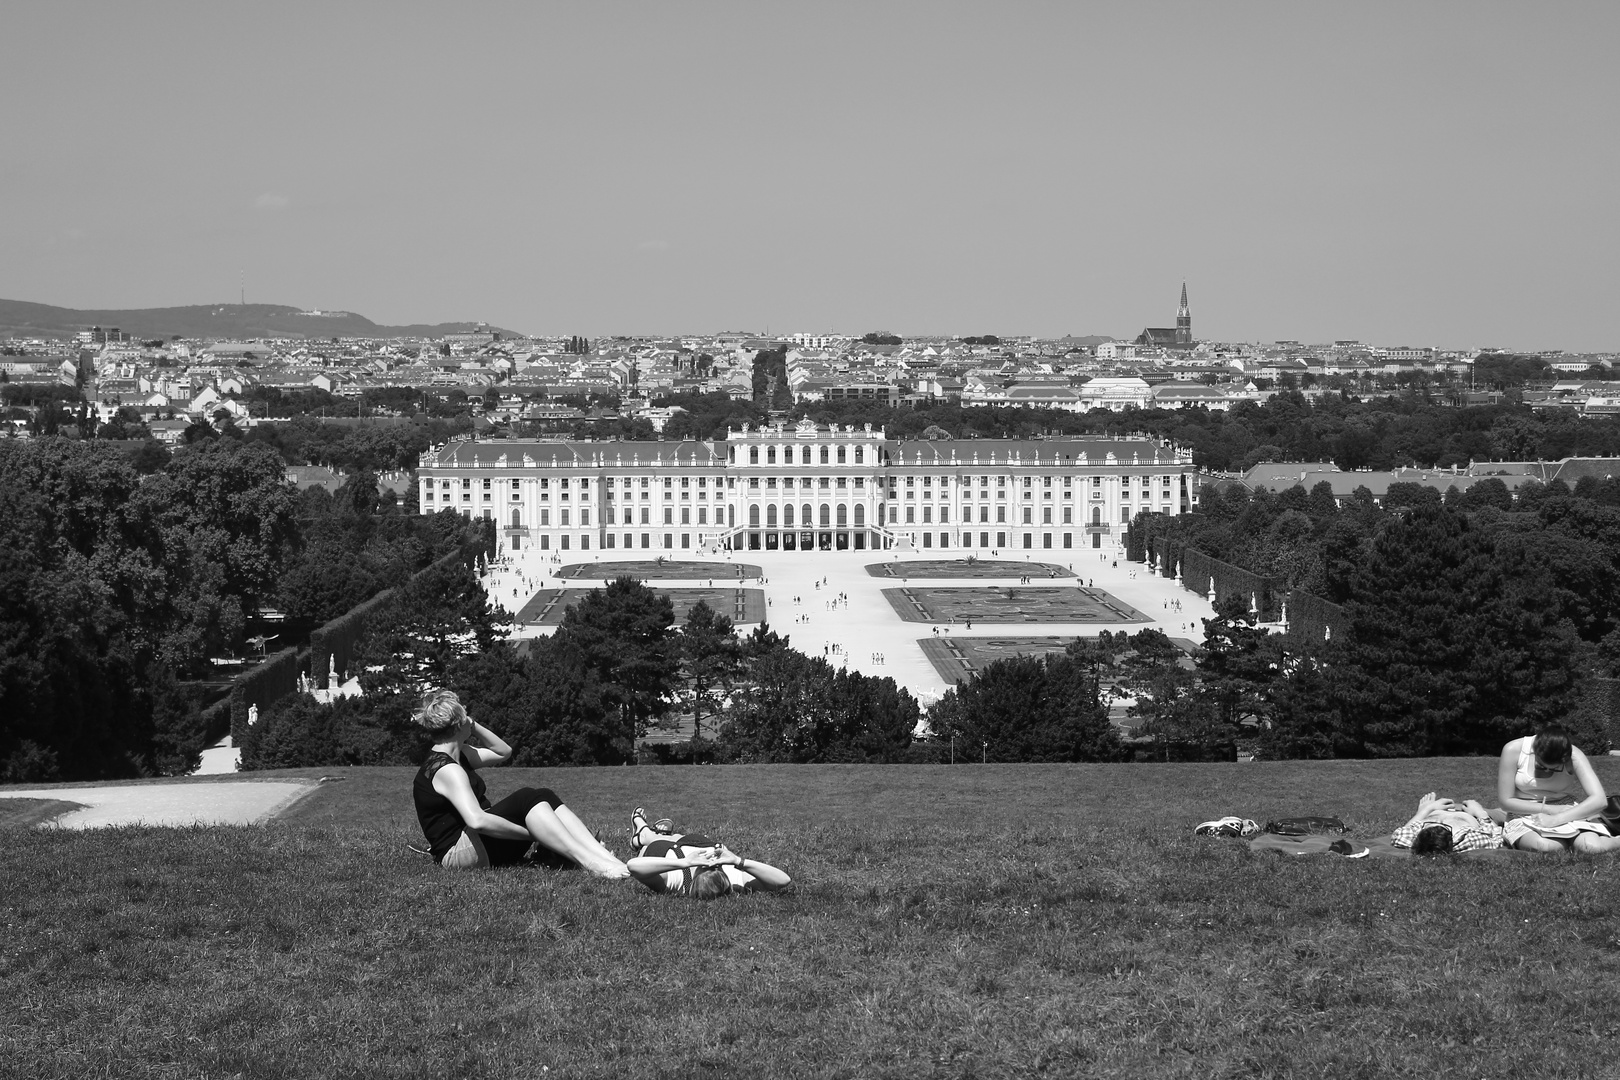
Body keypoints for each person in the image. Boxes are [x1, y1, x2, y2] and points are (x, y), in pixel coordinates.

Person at [411, 689, 628, 875]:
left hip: (476, 843)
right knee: (526, 798)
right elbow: (477, 820)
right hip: (459, 854)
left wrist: (474, 725)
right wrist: (532, 834)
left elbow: (503, 751)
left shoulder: (460, 754)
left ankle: (606, 859)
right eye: (466, 716)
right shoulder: (448, 769)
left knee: (543, 795)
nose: (471, 719)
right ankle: (591, 863)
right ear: (458, 725)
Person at [1495, 724, 1620, 853]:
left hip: (1567, 810)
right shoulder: (1514, 750)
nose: (1547, 771)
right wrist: (1550, 809)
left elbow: (1599, 800)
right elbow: (1506, 802)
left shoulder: (1574, 754)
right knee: (1547, 847)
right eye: (1541, 767)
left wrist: (1557, 818)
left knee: (1591, 847)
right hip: (1523, 813)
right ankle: (1567, 843)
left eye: (1555, 769)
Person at [625, 807, 791, 899]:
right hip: (692, 842)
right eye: (714, 866)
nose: (708, 862)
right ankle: (660, 834)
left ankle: (642, 835)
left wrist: (685, 863)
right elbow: (783, 880)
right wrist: (737, 860)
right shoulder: (735, 879)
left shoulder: (675, 882)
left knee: (654, 840)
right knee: (681, 838)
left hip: (660, 851)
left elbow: (633, 866)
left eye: (703, 867)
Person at [1390, 792, 1505, 855]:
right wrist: (1480, 812)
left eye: (1431, 824)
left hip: (1436, 809)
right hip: (1472, 813)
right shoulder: (1468, 840)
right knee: (1509, 812)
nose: (1440, 823)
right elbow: (1496, 838)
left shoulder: (1412, 838)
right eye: (1445, 827)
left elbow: (1403, 831)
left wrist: (1426, 810)